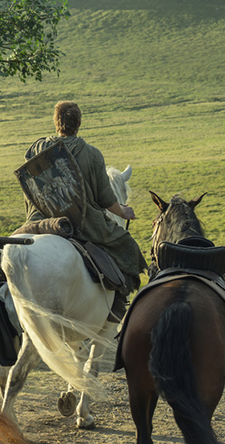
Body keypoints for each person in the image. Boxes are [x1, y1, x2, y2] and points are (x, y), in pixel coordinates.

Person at [23, 101, 147, 315]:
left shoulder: (38, 148)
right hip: (83, 224)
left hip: (40, 220)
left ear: (56, 123)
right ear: (78, 123)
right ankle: (117, 305)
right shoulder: (91, 154)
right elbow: (105, 198)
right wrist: (124, 212)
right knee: (128, 248)